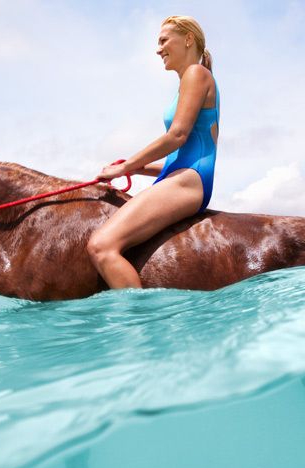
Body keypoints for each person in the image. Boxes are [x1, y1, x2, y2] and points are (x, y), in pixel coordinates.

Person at [88, 15, 220, 289]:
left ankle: (138, 316)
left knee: (101, 246)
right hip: (185, 176)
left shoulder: (196, 74)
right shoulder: (189, 81)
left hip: (189, 181)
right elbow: (188, 153)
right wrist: (139, 169)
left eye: (163, 40)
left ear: (188, 39)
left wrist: (124, 167)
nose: (158, 49)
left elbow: (177, 136)